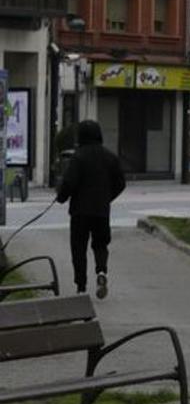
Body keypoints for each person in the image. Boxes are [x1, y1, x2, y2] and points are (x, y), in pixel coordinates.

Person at [56, 120, 125, 299]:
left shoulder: (78, 157)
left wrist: (61, 197)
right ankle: (101, 271)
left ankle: (81, 286)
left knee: (78, 248)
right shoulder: (110, 157)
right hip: (101, 210)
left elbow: (69, 182)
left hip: (80, 211)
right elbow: (120, 183)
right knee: (100, 244)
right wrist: (107, 198)